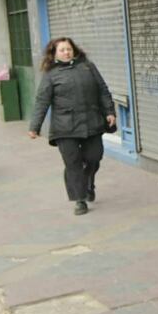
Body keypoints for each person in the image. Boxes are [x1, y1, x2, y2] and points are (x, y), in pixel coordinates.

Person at [28, 38, 115, 216]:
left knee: (94, 157)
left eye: (69, 49)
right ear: (54, 54)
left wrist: (109, 111)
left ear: (74, 50)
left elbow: (102, 90)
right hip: (64, 127)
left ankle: (89, 181)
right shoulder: (51, 75)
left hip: (91, 122)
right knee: (73, 163)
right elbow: (42, 101)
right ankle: (80, 199)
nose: (66, 52)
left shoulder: (88, 67)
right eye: (62, 50)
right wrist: (35, 126)